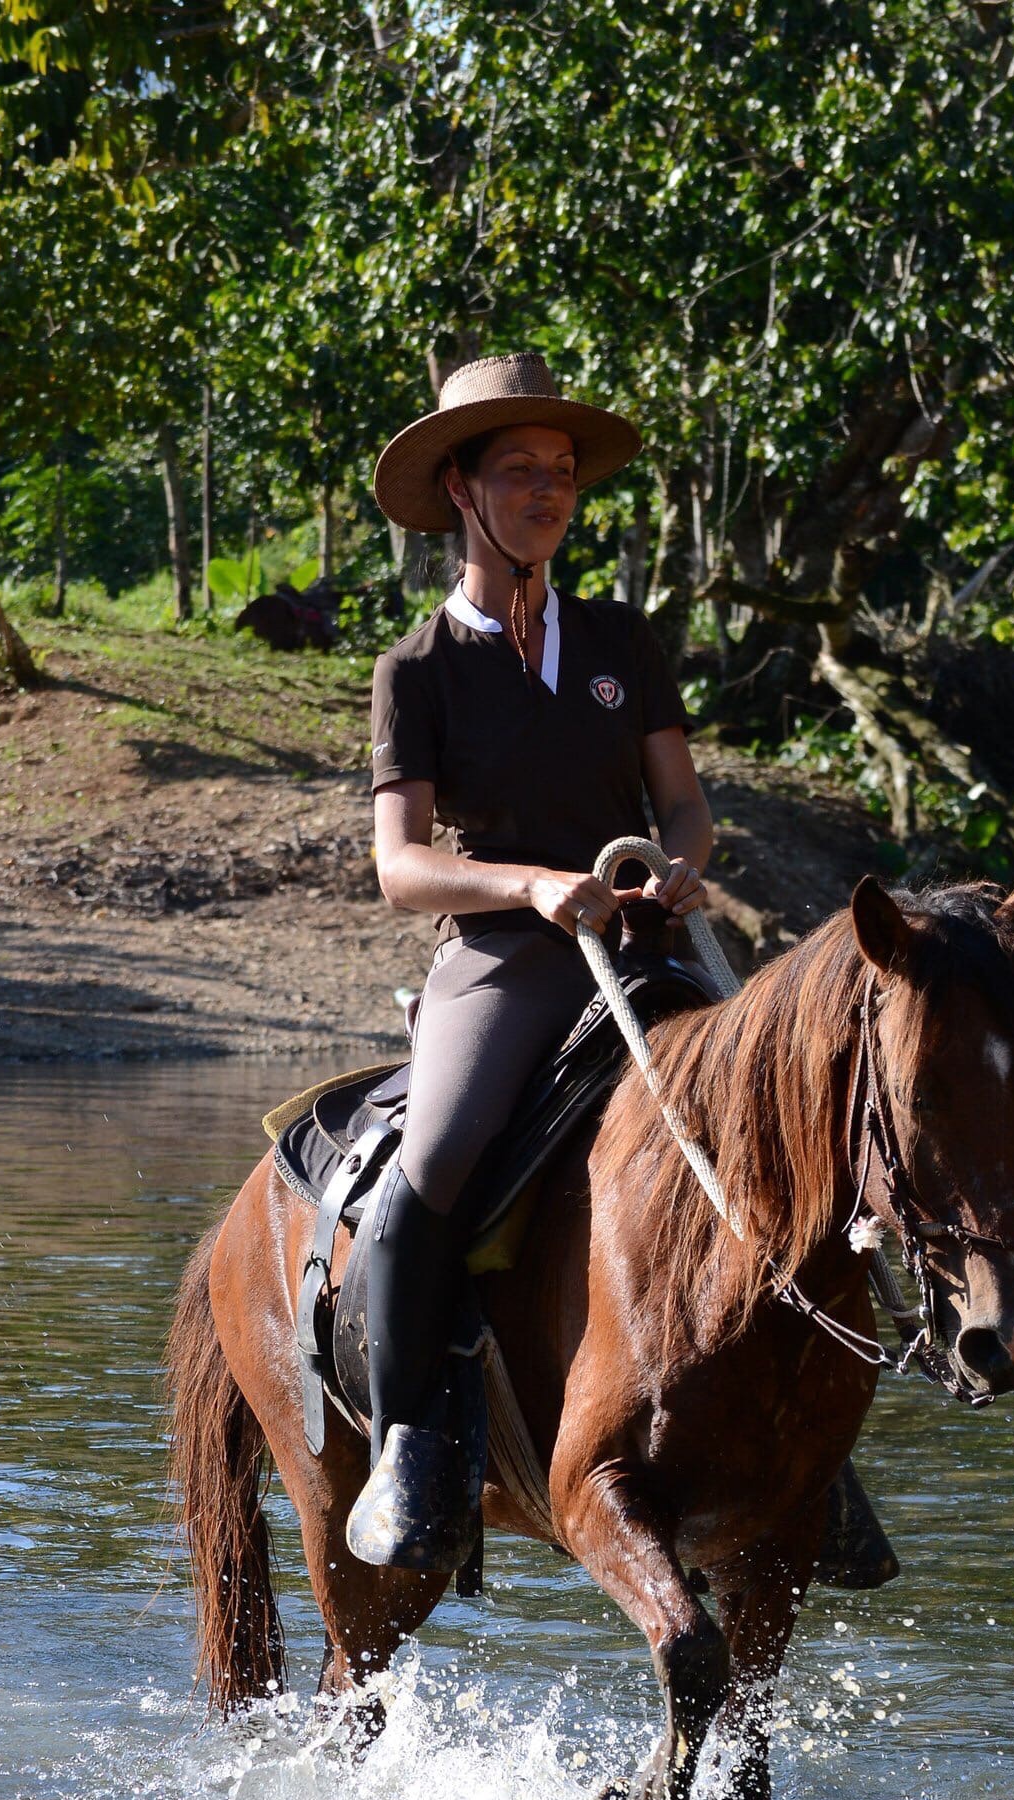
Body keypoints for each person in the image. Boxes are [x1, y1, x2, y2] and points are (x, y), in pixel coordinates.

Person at [348, 352, 715, 1567]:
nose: (548, 491)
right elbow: (400, 868)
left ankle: (824, 1455)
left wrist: (681, 865)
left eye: (560, 472)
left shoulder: (620, 638)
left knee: (788, 1128)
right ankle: (412, 1446)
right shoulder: (418, 670)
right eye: (520, 470)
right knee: (437, 1162)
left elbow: (684, 805)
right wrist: (531, 887)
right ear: (461, 488)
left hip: (646, 942)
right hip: (507, 958)